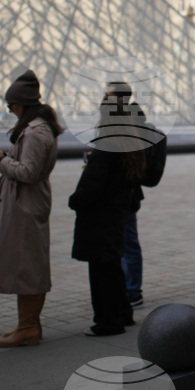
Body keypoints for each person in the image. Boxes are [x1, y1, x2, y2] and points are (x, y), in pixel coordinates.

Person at [0, 70, 64, 347]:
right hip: (26, 203)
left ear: (23, 104)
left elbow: (28, 172)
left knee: (27, 266)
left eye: (11, 105)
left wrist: (0, 158)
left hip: (26, 205)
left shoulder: (35, 132)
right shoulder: (37, 129)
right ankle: (28, 324)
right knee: (25, 264)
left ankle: (28, 326)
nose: (10, 109)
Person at [70, 95, 147, 336]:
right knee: (113, 268)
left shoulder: (106, 144)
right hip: (117, 214)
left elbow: (93, 185)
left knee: (101, 272)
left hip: (100, 219)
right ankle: (122, 313)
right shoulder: (128, 143)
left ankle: (108, 321)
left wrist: (75, 200)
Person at [102, 83, 168, 308]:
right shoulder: (123, 121)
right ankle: (128, 289)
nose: (103, 98)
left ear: (120, 100)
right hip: (124, 192)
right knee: (125, 243)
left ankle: (132, 291)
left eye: (107, 95)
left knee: (128, 243)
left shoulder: (127, 125)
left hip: (124, 192)